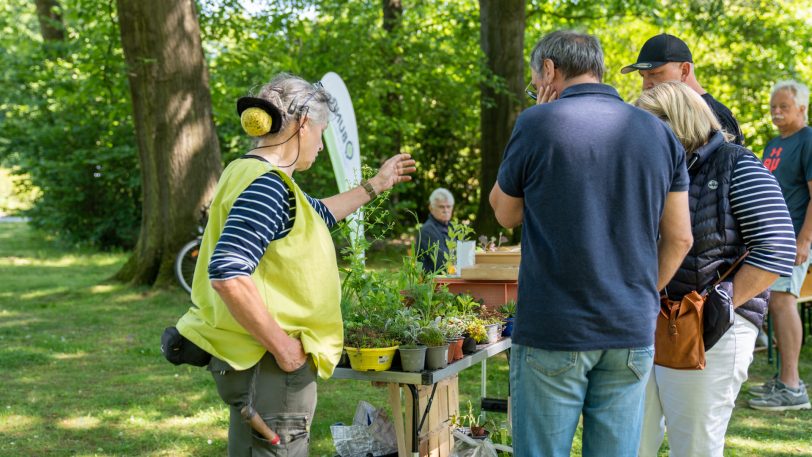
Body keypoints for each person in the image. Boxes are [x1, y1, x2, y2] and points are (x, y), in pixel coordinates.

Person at [175, 73, 416, 456]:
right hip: (270, 366)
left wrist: (376, 185)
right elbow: (228, 272)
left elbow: (317, 213)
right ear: (303, 125)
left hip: (254, 365)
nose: (320, 145)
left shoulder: (249, 174)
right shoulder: (268, 185)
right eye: (320, 132)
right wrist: (283, 347)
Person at [490, 30, 693, 457]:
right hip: (629, 327)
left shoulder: (536, 123)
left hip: (554, 327)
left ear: (549, 70)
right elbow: (680, 238)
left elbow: (505, 213)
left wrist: (534, 117)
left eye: (535, 80)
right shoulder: (658, 133)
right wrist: (641, 291)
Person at [635, 81, 795, 456]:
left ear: (676, 123)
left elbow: (777, 247)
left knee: (694, 446)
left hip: (713, 329)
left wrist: (720, 305)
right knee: (632, 438)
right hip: (656, 320)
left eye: (649, 127)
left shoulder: (737, 164)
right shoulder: (661, 170)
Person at [748, 79, 812, 411]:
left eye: (783, 107)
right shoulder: (774, 144)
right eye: (773, 106)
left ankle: (792, 387)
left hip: (793, 237)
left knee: (784, 301)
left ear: (802, 108)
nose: (776, 112)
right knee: (774, 303)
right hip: (770, 237)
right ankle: (784, 379)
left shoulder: (808, 140)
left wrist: (804, 239)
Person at [621, 33, 745, 145]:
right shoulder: (652, 114)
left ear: (684, 70)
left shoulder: (717, 116)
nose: (646, 85)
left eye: (654, 74)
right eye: (643, 76)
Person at [417, 187, 454, 272]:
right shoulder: (427, 230)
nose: (446, 210)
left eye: (448, 207)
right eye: (441, 207)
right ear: (431, 208)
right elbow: (443, 262)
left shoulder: (452, 227)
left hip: (453, 276)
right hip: (436, 281)